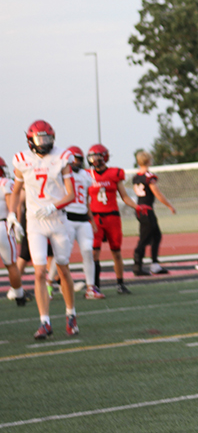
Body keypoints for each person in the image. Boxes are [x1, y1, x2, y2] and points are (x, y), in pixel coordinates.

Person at [8, 120, 78, 339]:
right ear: (31, 141)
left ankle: (70, 313)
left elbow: (71, 194)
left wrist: (53, 205)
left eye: (47, 138)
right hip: (34, 221)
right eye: (40, 139)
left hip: (57, 219)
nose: (44, 143)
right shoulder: (21, 160)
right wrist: (12, 214)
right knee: (39, 272)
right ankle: (44, 321)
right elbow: (16, 191)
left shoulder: (62, 157)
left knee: (63, 269)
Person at [87, 144, 144, 294]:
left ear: (105, 157)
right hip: (95, 218)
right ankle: (95, 286)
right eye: (93, 157)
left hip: (112, 216)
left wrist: (137, 207)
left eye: (98, 156)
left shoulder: (115, 173)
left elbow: (124, 196)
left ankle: (120, 283)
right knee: (94, 253)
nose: (96, 160)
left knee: (116, 252)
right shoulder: (86, 175)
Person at [59, 147, 103, 299]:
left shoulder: (86, 176)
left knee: (87, 252)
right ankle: (49, 284)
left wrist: (91, 220)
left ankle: (90, 288)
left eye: (78, 159)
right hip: (68, 218)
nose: (76, 162)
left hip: (83, 218)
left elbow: (86, 201)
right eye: (74, 159)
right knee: (62, 254)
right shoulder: (62, 173)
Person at [132, 150, 176, 275]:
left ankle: (154, 264)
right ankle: (137, 265)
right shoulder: (149, 177)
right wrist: (169, 205)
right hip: (146, 210)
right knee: (145, 238)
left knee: (156, 235)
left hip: (140, 209)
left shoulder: (136, 177)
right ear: (149, 161)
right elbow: (157, 193)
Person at [1, 156, 29, 306]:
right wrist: (16, 221)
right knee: (11, 264)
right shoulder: (5, 183)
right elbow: (11, 203)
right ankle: (19, 296)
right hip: (2, 225)